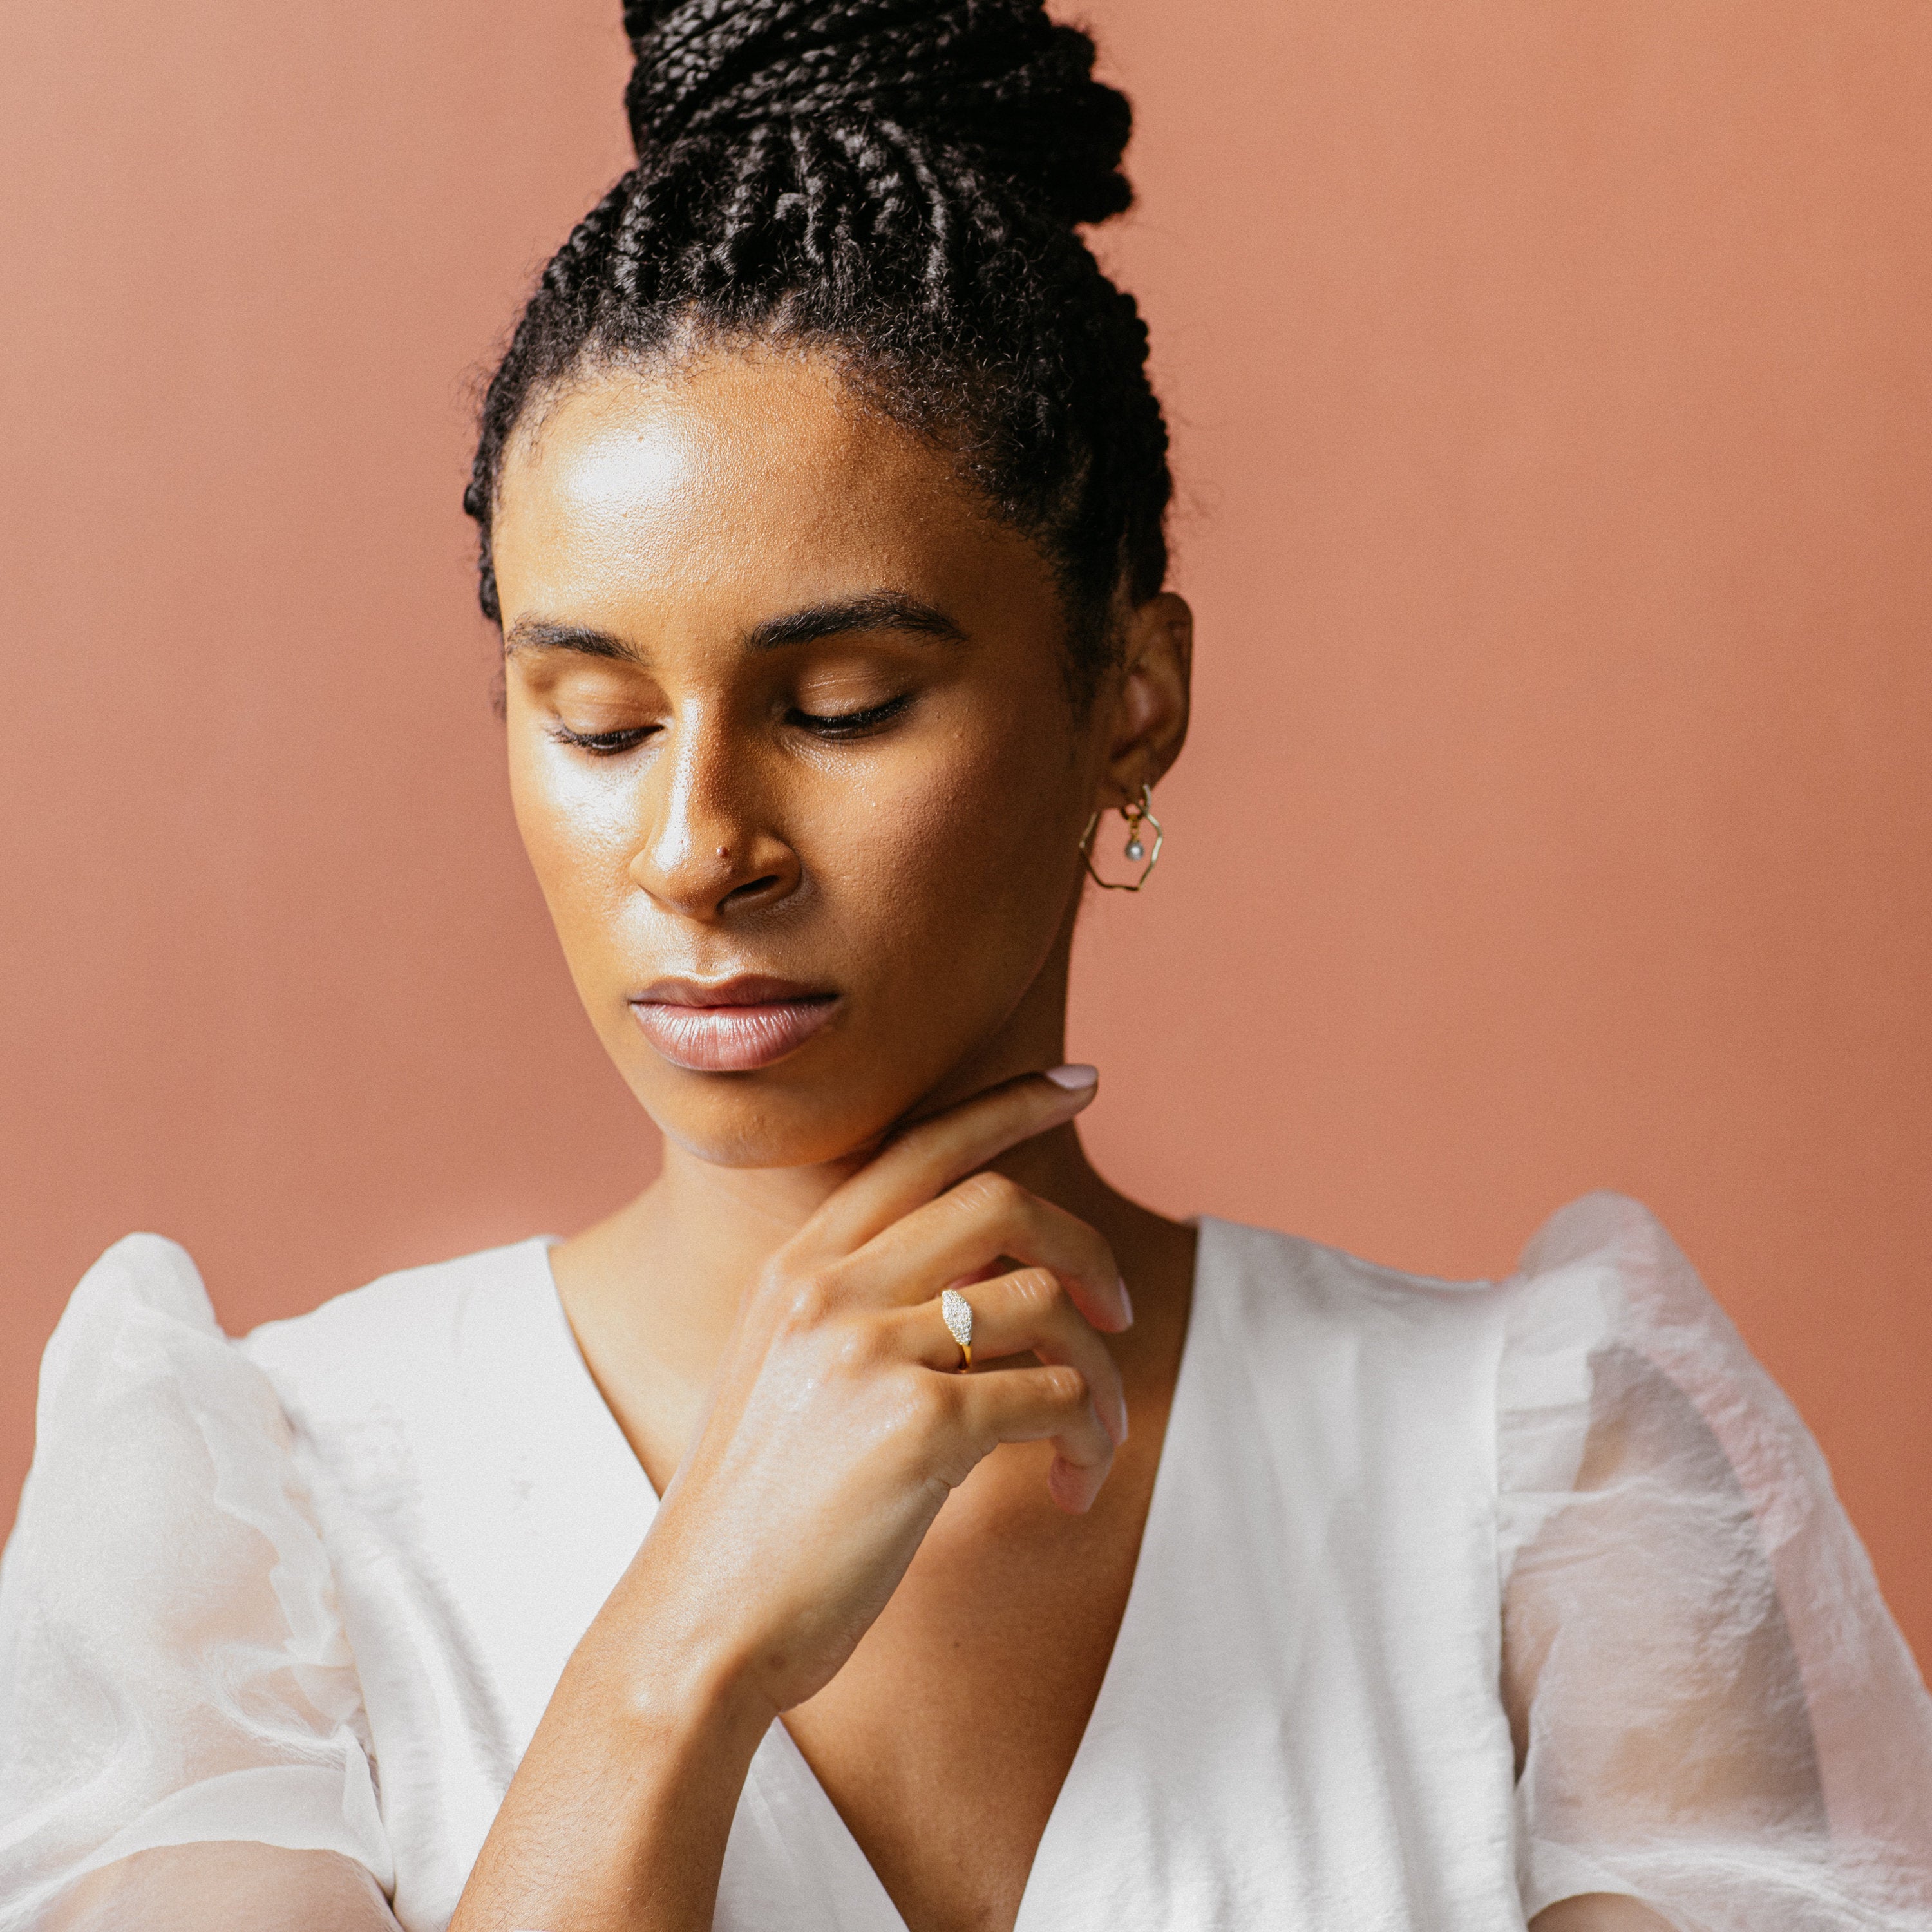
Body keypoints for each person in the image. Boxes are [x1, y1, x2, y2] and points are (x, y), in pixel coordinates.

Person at [5, 1, 1930, 1927]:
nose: (694, 850)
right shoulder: (251, 1519)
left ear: (1135, 696)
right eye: (593, 722)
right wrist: (677, 1658)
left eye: (842, 706)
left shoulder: (1541, 1492)